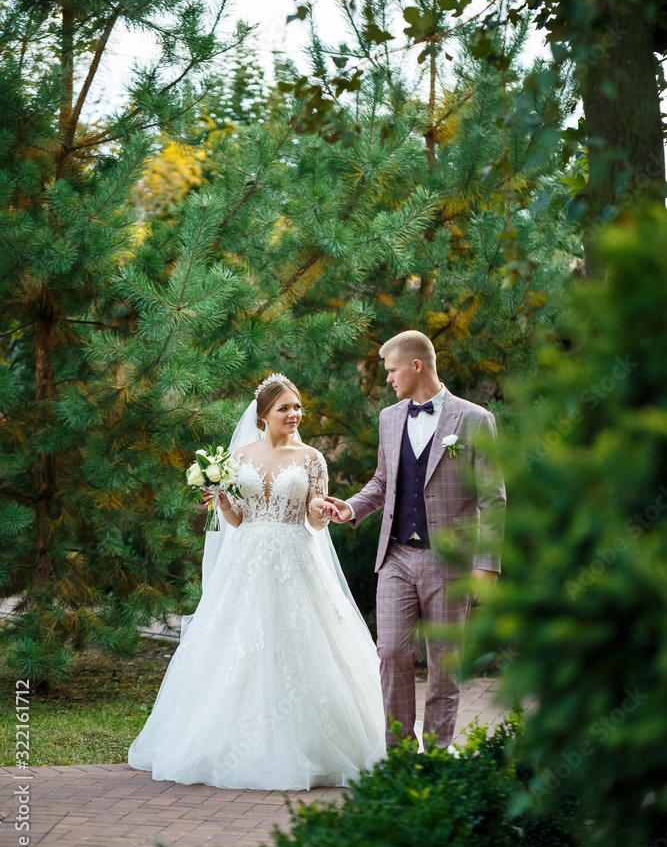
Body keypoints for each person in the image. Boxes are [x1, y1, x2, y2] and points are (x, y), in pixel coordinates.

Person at [128, 374, 386, 790]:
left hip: (295, 556)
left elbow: (315, 522)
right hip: (245, 560)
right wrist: (224, 501)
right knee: (237, 641)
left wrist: (323, 509)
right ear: (263, 415)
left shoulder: (312, 458)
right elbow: (236, 519)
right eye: (284, 408)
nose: (294, 414)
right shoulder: (239, 457)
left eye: (297, 406)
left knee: (300, 640)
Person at [323, 331, 506, 749]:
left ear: (415, 366)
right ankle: (400, 758)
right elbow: (383, 481)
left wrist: (486, 564)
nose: (388, 379)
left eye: (392, 370)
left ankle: (437, 758)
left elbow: (492, 499)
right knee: (389, 654)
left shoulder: (474, 419)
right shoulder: (389, 418)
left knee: (444, 665)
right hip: (397, 557)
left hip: (451, 563)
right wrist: (349, 508)